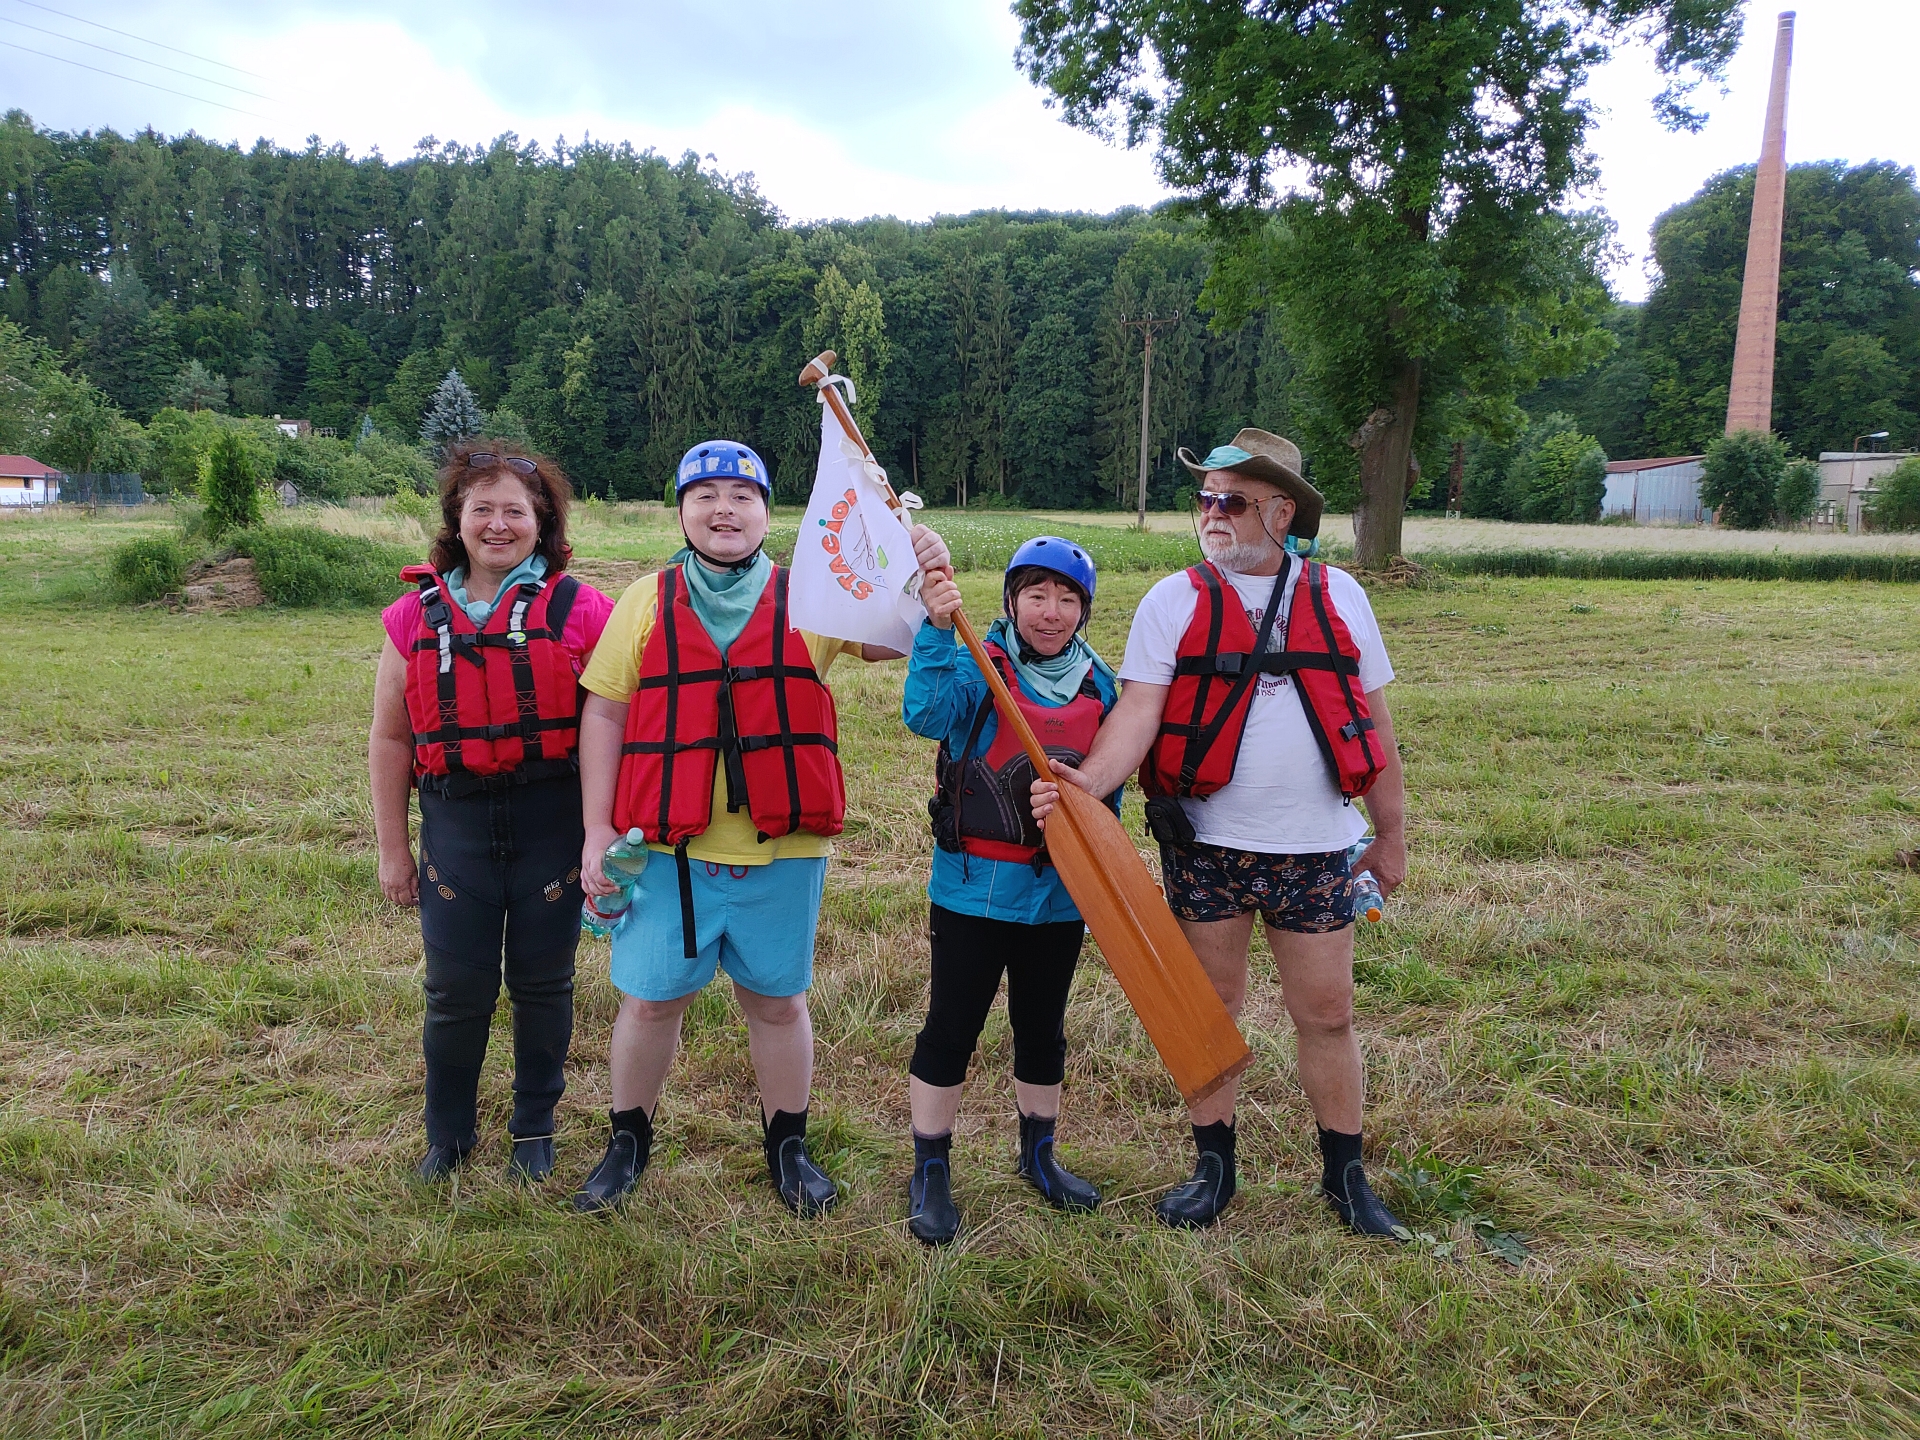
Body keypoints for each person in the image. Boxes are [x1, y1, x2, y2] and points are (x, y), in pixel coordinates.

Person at [1032, 429, 1409, 1235]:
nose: (1212, 513)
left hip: (1317, 849)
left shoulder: (1342, 596)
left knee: (1328, 1012)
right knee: (1212, 1010)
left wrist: (1391, 836)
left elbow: (1375, 726)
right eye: (1205, 498)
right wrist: (1088, 784)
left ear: (1281, 513)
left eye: (1231, 500)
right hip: (1207, 846)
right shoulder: (1172, 600)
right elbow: (1139, 712)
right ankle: (1214, 1167)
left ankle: (1346, 1178)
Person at [571, 440, 952, 1216]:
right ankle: (627, 1143)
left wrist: (920, 571)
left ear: (768, 513)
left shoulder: (811, 593)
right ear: (681, 511)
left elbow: (897, 634)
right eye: (705, 495)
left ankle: (788, 1147)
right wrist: (595, 829)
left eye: (742, 496)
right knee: (649, 1004)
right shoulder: (644, 601)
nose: (724, 510)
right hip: (666, 855)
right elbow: (605, 714)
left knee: (778, 1005)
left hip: (783, 853)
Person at [369, 440, 615, 1184]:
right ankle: (448, 1136)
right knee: (454, 991)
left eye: (515, 511)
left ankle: (533, 1128)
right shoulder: (412, 617)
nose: (498, 525)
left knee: (543, 985)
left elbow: (616, 724)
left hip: (551, 822)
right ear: (457, 518)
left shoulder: (583, 610)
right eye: (483, 509)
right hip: (456, 828)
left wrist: (606, 836)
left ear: (542, 522)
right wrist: (393, 850)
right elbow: (390, 738)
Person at [898, 537, 1120, 1245]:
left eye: (1067, 599)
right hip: (973, 890)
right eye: (1037, 596)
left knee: (1042, 1026)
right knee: (952, 1025)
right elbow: (926, 715)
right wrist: (937, 629)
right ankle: (931, 1167)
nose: (1051, 613)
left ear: (1084, 610)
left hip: (1059, 895)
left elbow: (1109, 796)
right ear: (1012, 601)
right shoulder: (978, 661)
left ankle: (1039, 1153)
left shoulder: (1100, 684)